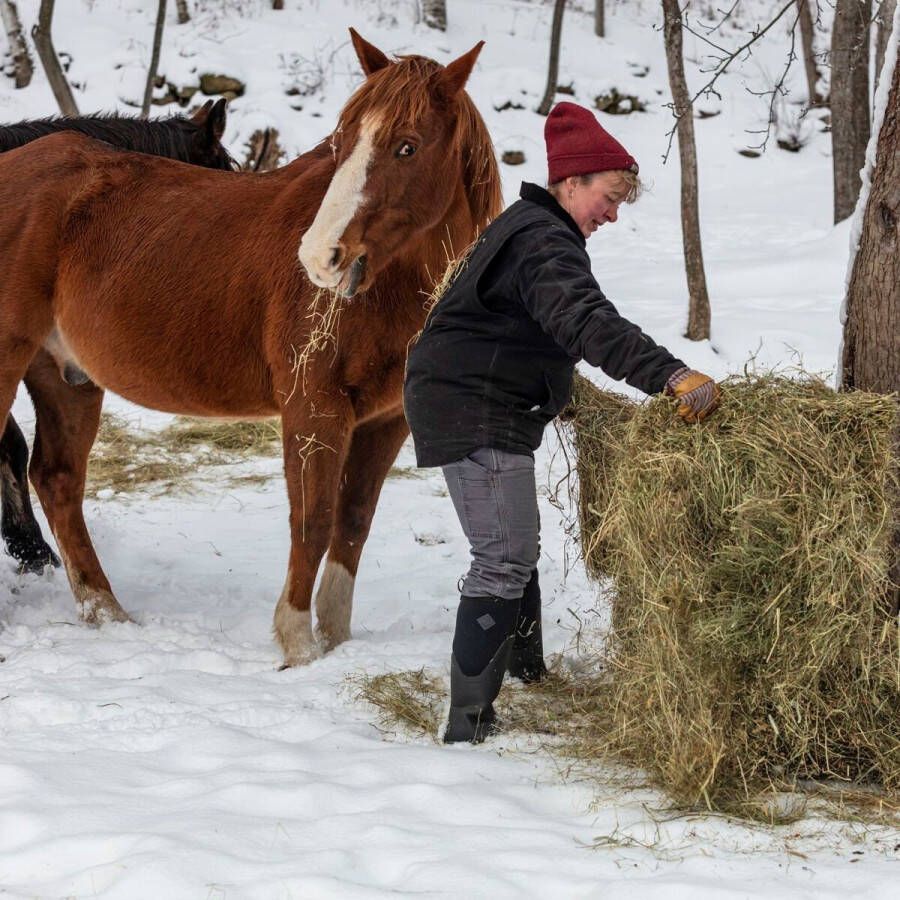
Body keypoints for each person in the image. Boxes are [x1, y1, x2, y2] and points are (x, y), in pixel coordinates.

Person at [403, 101, 721, 744]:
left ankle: (527, 673)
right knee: (502, 556)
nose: (611, 214)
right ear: (570, 183)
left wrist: (560, 390)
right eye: (608, 198)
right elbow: (585, 322)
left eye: (620, 204)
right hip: (474, 404)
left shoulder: (531, 231)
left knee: (515, 546)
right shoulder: (545, 241)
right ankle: (467, 724)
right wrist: (669, 375)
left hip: (483, 395)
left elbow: (529, 327)